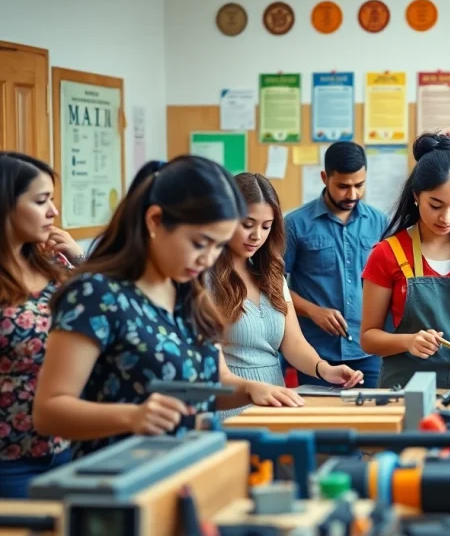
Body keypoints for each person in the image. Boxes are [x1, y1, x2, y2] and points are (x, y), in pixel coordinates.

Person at [32, 157, 301, 458]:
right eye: (200, 243)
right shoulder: (96, 294)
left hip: (190, 467)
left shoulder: (190, 292)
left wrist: (251, 389)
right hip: (122, 476)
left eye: (218, 246)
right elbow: (48, 411)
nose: (208, 260)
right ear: (155, 221)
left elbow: (217, 380)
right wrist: (132, 417)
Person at [361, 133, 450, 388]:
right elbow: (368, 337)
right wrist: (408, 342)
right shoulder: (387, 253)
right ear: (417, 196)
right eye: (436, 205)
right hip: (406, 390)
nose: (447, 218)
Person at [210, 172, 363, 416]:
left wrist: (324, 369)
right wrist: (251, 389)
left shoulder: (270, 274)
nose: (256, 236)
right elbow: (213, 371)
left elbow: (293, 343)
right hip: (229, 407)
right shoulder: (205, 280)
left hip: (274, 404)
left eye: (266, 226)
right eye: (247, 225)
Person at [0, 153, 87, 497]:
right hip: (10, 461)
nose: (53, 211)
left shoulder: (55, 263)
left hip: (67, 449)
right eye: (41, 201)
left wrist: (80, 260)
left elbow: (106, 312)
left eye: (52, 199)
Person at [285, 141, 388, 388]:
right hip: (316, 354)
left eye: (359, 185)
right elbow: (271, 286)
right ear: (324, 177)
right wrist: (312, 310)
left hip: (369, 352)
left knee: (372, 420)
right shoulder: (294, 224)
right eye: (343, 186)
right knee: (320, 422)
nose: (352, 194)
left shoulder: (380, 222)